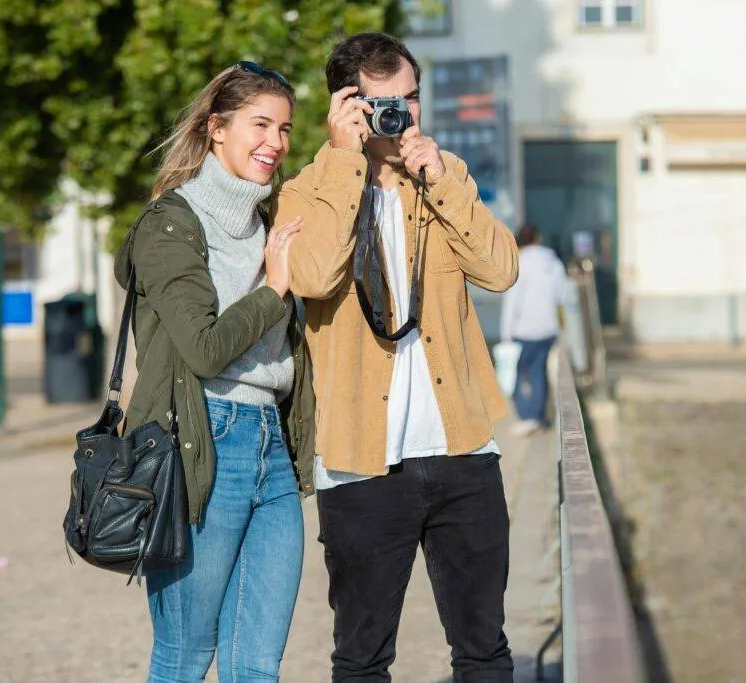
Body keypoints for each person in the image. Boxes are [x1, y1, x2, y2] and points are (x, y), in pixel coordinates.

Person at [272, 32, 519, 682]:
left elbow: (500, 270)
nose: (402, 115)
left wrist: (439, 181)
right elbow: (315, 277)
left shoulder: (445, 176)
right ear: (345, 106)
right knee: (362, 658)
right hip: (360, 461)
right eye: (384, 103)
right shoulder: (305, 191)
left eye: (410, 99)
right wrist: (344, 160)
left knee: (486, 651)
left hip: (461, 447)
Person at [113, 61, 316, 682]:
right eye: (260, 124)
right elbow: (203, 348)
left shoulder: (270, 223)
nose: (275, 144)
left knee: (256, 665)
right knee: (185, 655)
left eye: (283, 129)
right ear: (216, 127)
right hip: (200, 443)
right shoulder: (171, 223)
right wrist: (274, 290)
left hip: (270, 452)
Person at [500, 223, 566, 436]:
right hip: (548, 329)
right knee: (539, 372)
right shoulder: (554, 263)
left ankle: (526, 416)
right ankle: (537, 415)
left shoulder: (519, 262)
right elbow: (561, 298)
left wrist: (506, 333)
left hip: (523, 330)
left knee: (518, 374)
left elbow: (513, 302)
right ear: (538, 238)